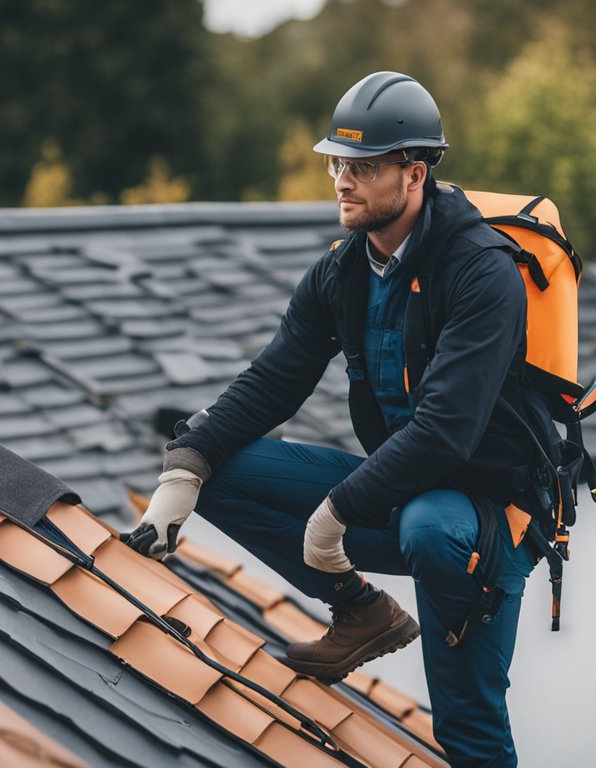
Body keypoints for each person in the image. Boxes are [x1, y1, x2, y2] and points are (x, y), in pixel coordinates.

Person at [121, 71, 558, 767]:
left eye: (360, 168)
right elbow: (272, 381)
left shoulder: (482, 273)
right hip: (401, 492)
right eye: (336, 163)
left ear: (413, 174)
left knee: (467, 729)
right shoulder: (344, 271)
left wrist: (335, 513)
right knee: (226, 473)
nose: (340, 181)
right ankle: (360, 611)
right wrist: (185, 465)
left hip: (484, 519)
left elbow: (446, 431)